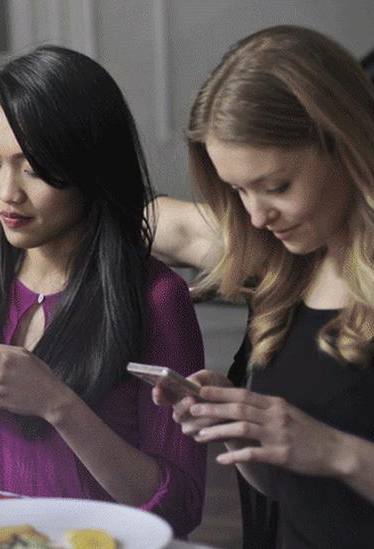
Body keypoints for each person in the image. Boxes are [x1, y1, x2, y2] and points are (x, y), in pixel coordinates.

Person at [0, 45, 206, 535]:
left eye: (34, 169)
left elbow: (181, 509)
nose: (6, 193)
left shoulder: (157, 300)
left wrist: (58, 404)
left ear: (91, 169)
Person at [149, 26, 374, 547]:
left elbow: (331, 458)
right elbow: (300, 498)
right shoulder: (289, 276)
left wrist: (337, 450)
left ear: (346, 144)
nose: (255, 215)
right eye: (238, 191)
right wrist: (247, 431)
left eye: (276, 186)